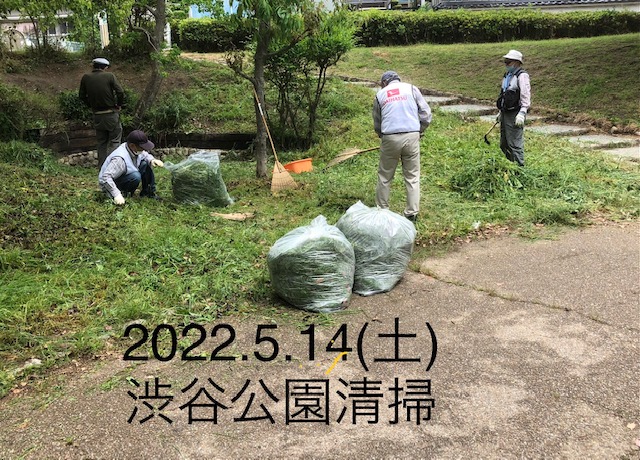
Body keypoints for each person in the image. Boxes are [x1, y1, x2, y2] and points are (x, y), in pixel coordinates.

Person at [372, 70, 432, 223]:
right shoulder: (411, 89)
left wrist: (382, 136)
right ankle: (412, 213)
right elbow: (425, 114)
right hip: (411, 135)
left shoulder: (380, 95)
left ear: (384, 83)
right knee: (412, 175)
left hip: (390, 137)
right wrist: (419, 130)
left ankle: (382, 210)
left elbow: (377, 121)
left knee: (385, 176)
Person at [79, 57, 125, 168]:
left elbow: (81, 96)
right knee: (114, 141)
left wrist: (91, 105)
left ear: (94, 66)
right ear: (104, 67)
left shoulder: (86, 78)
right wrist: (119, 105)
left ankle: (102, 167)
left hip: (97, 115)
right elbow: (120, 92)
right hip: (110, 113)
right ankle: (113, 167)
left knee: (101, 142)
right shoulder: (109, 76)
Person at [98, 130, 164, 205]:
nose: (144, 150)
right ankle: (123, 194)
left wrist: (152, 160)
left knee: (145, 164)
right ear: (132, 146)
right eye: (142, 147)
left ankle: (148, 193)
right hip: (109, 184)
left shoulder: (133, 149)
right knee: (135, 176)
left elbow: (144, 155)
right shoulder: (119, 159)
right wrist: (116, 194)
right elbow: (106, 177)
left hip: (122, 175)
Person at [496, 50, 531, 167]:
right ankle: (510, 166)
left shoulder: (522, 76)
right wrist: (500, 112)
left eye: (508, 62)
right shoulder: (507, 76)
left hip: (515, 113)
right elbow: (503, 94)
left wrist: (522, 113)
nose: (506, 64)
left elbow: (525, 95)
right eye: (505, 61)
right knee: (504, 143)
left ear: (516, 62)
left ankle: (520, 169)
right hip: (505, 111)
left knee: (514, 144)